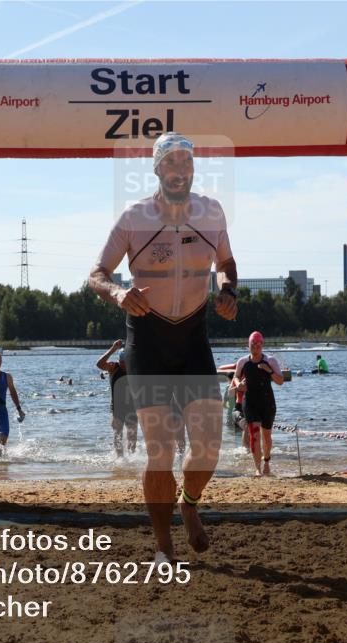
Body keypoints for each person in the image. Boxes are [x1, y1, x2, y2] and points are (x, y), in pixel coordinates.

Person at [88, 132, 238, 561]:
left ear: (193, 170)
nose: (179, 171)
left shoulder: (211, 213)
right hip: (148, 338)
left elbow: (226, 263)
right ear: (156, 170)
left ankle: (188, 505)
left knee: (208, 447)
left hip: (193, 338)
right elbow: (97, 272)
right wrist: (118, 293)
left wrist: (230, 292)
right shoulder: (135, 217)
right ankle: (163, 547)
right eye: (170, 164)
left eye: (186, 164)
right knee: (161, 450)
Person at [234, 331, 284, 477]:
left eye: (258, 344)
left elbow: (280, 381)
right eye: (252, 344)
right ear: (248, 345)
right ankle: (257, 468)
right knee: (254, 435)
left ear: (262, 345)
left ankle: (267, 462)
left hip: (267, 402)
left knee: (266, 437)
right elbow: (236, 377)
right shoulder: (243, 362)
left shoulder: (271, 361)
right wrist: (239, 384)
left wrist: (269, 371)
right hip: (250, 402)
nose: (255, 347)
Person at [96, 339, 138, 456]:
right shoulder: (114, 367)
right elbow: (99, 364)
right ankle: (120, 460)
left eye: (127, 362)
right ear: (119, 361)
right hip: (117, 408)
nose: (124, 365)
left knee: (132, 438)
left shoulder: (134, 368)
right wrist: (113, 349)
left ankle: (131, 462)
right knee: (117, 435)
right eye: (122, 362)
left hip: (132, 407)